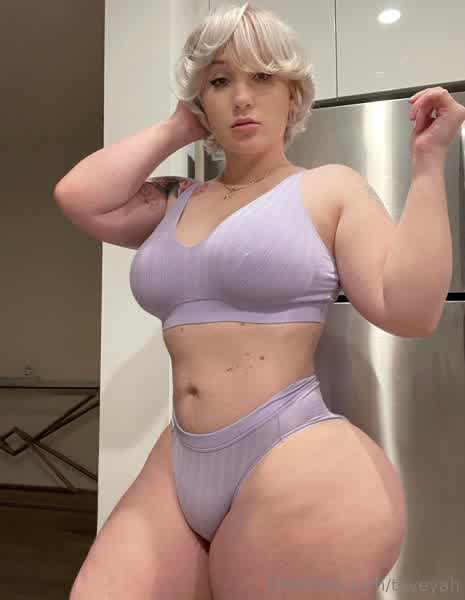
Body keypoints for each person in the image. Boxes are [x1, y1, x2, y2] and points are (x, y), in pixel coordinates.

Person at [55, 2, 462, 598]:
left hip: (293, 456)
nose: (242, 97)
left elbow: (411, 312)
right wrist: (178, 126)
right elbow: (78, 197)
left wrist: (429, 165)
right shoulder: (176, 199)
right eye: (221, 81)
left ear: (292, 95)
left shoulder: (329, 187)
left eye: (263, 77)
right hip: (180, 460)